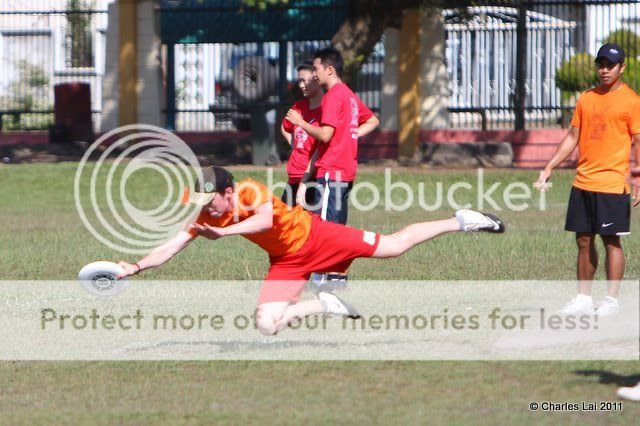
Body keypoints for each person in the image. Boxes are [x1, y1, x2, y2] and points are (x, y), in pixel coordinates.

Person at [117, 166, 505, 336]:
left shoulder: (249, 191)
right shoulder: (208, 215)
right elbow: (172, 245)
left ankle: (462, 220)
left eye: (210, 199)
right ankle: (326, 304)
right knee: (266, 325)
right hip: (286, 261)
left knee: (394, 246)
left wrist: (225, 232)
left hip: (318, 237)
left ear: (228, 192)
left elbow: (264, 221)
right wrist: (134, 267)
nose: (205, 207)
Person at [535, 43, 640, 316]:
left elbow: (638, 141)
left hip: (612, 183)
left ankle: (611, 301)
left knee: (611, 240)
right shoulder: (586, 98)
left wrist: (638, 176)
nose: (605, 70)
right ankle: (583, 298)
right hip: (583, 182)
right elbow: (573, 137)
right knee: (583, 240)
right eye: (601, 65)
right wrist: (550, 166)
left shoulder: (632, 101)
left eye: (611, 66)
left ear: (622, 68)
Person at [285, 47, 379, 289]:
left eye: (316, 69)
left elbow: (325, 135)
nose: (314, 74)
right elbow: (372, 120)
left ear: (329, 69)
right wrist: (350, 135)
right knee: (337, 227)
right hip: (346, 170)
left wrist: (301, 122)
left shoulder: (333, 96)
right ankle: (336, 276)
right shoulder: (349, 95)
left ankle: (321, 279)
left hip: (331, 169)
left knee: (324, 229)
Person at [280, 62, 323, 208]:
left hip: (313, 177)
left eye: (304, 80)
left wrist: (304, 182)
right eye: (299, 81)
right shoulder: (299, 107)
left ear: (316, 78)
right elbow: (284, 127)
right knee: (283, 219)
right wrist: (293, 143)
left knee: (308, 221)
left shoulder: (326, 109)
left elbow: (321, 146)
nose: (301, 85)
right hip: (294, 175)